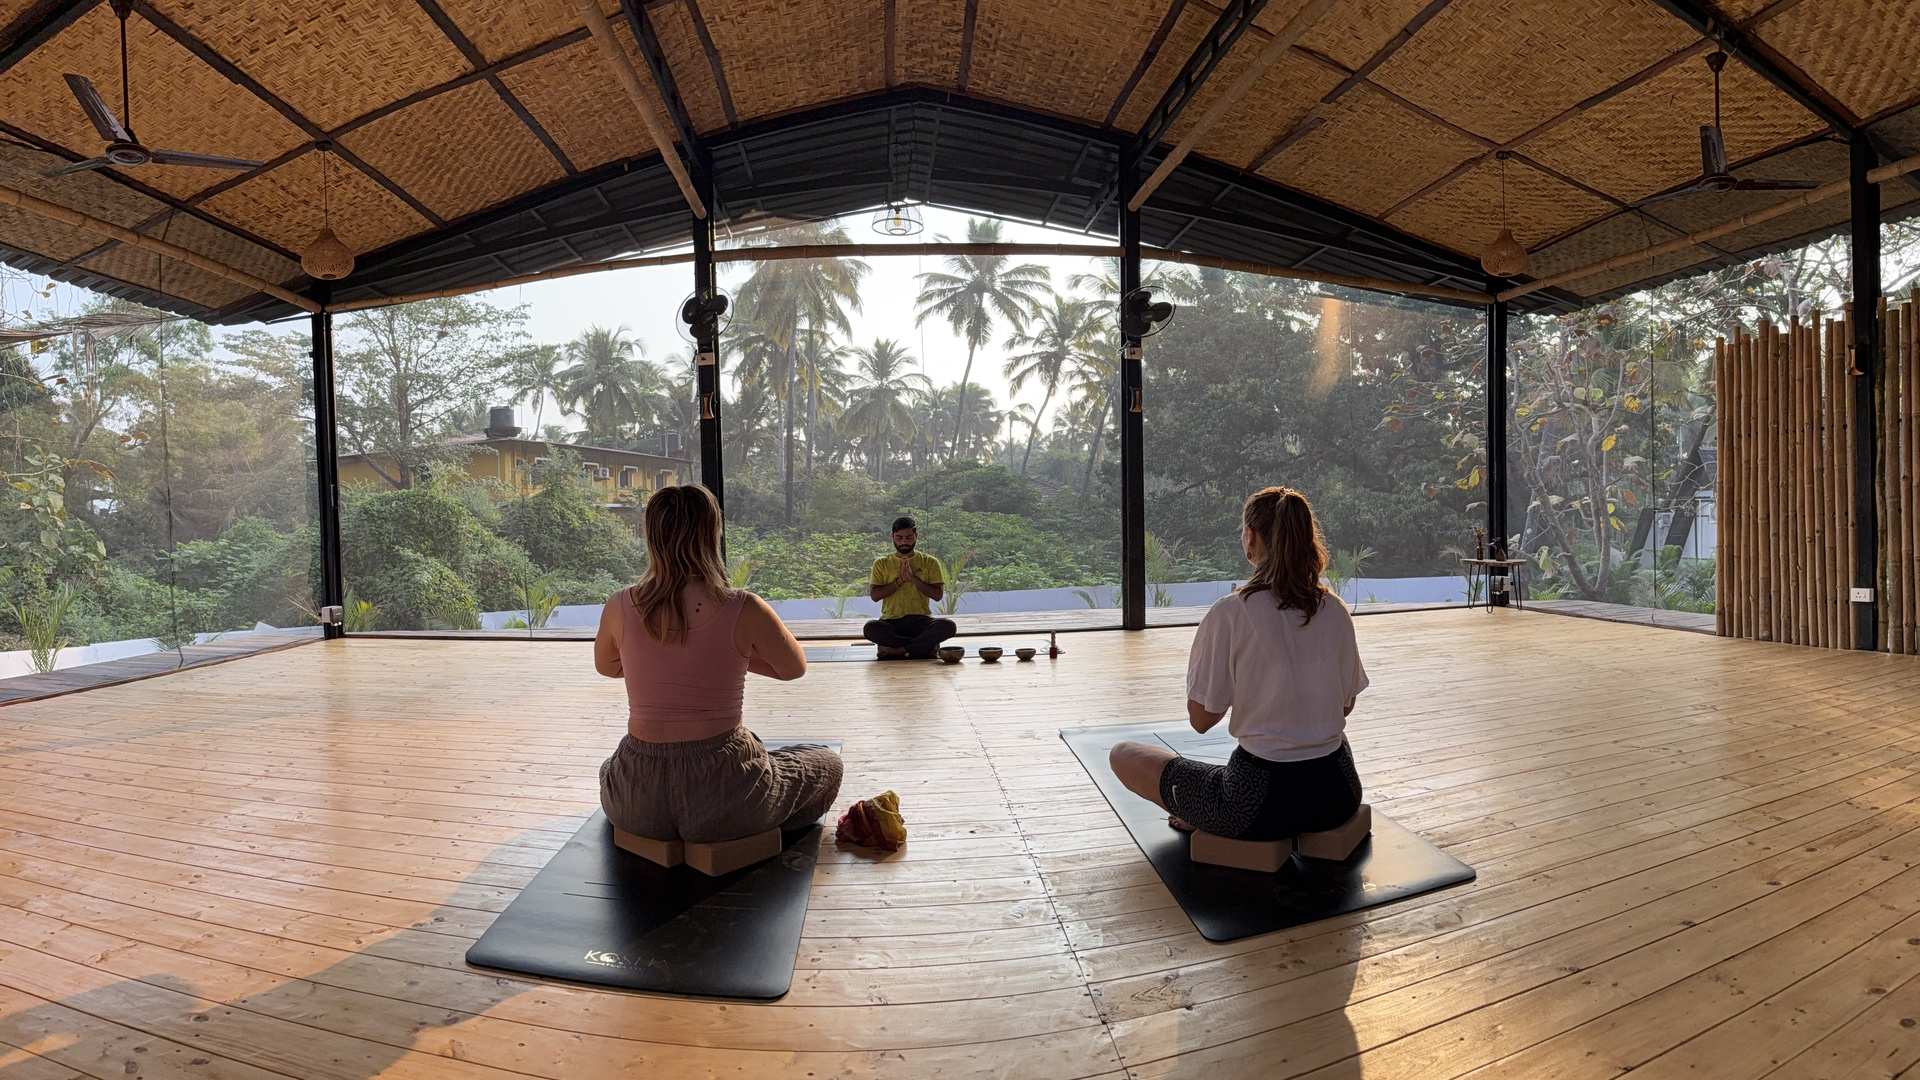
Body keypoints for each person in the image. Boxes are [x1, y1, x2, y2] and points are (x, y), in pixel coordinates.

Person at [1108, 487, 1367, 841]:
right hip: (1338, 793)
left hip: (1256, 803)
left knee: (1124, 755)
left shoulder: (1231, 612)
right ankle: (1209, 807)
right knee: (1228, 770)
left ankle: (1204, 814)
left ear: (1251, 538)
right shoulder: (1334, 609)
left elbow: (1201, 720)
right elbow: (1345, 705)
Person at [595, 484, 842, 843]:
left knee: (608, 768)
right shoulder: (742, 606)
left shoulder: (620, 604)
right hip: (725, 793)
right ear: (713, 533)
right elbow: (793, 668)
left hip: (636, 798)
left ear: (652, 537)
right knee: (826, 763)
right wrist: (735, 655)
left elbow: (608, 666)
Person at [861, 515, 957, 659]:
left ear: (916, 536)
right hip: (891, 622)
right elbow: (875, 596)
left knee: (948, 626)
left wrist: (913, 579)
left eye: (908, 537)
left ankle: (897, 650)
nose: (904, 542)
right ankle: (922, 647)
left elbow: (937, 595)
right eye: (899, 538)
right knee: (870, 628)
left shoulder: (930, 562)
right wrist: (899, 581)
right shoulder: (881, 563)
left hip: (921, 621)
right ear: (892, 537)